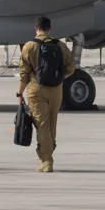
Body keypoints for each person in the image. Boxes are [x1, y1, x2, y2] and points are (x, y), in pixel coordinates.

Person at [17, 16, 76, 172]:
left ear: (36, 29)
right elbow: (71, 68)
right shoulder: (61, 46)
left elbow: (24, 74)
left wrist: (19, 93)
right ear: (49, 29)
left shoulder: (29, 46)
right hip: (56, 90)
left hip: (36, 90)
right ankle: (46, 154)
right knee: (51, 125)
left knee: (42, 126)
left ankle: (46, 160)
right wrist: (58, 78)